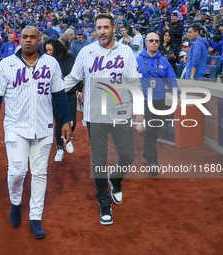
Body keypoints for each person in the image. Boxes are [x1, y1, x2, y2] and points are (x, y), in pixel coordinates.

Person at [0, 26, 72, 239]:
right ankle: (15, 203)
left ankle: (35, 217)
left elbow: (59, 94)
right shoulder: (6, 64)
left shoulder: (51, 63)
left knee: (40, 173)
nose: (29, 41)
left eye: (33, 37)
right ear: (20, 40)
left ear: (39, 41)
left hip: (43, 127)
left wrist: (66, 120)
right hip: (16, 127)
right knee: (17, 172)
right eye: (25, 37)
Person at [64, 13, 144, 225]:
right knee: (99, 161)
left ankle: (115, 180)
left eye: (106, 27)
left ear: (114, 28)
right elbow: (72, 78)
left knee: (127, 155)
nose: (102, 31)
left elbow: (135, 82)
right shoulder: (86, 52)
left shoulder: (126, 51)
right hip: (95, 115)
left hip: (121, 112)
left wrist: (139, 112)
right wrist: (52, 91)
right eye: (98, 28)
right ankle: (104, 202)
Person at [136, 32, 179, 172]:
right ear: (146, 43)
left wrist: (176, 94)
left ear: (159, 43)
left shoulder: (164, 61)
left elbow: (171, 79)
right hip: (144, 102)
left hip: (159, 101)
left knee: (154, 131)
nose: (154, 43)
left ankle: (145, 154)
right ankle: (152, 161)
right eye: (151, 41)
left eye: (156, 41)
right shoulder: (137, 60)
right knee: (150, 130)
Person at [43, 38, 83, 162]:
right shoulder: (47, 61)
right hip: (56, 96)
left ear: (56, 48)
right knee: (59, 122)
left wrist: (80, 90)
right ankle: (60, 148)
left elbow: (78, 75)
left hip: (70, 94)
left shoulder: (70, 58)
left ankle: (67, 138)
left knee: (73, 122)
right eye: (46, 50)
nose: (48, 52)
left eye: (50, 50)